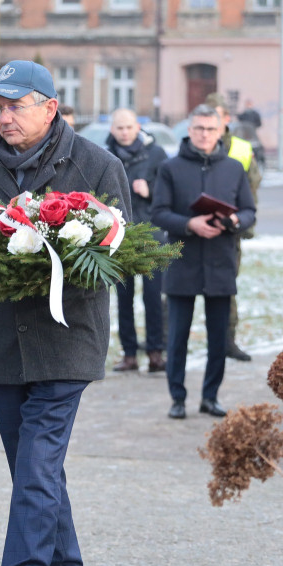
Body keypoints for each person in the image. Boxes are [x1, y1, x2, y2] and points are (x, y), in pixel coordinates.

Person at [0, 60, 131, 566]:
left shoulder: (99, 166)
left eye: (14, 105)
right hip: (5, 344)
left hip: (66, 341)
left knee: (36, 466)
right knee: (33, 468)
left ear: (50, 107)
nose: (3, 117)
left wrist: (55, 248)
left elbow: (120, 254)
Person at [151, 104, 256, 421]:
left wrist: (235, 219)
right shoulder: (171, 168)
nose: (204, 134)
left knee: (218, 337)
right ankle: (177, 398)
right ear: (189, 130)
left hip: (220, 260)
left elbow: (250, 211)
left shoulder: (234, 168)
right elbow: (159, 212)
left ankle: (210, 397)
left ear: (221, 131)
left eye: (210, 129)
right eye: (198, 128)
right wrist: (189, 224)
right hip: (183, 261)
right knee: (178, 336)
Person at [106, 107, 168, 374]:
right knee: (124, 298)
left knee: (154, 298)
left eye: (129, 127)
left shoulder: (156, 154)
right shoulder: (105, 155)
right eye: (119, 128)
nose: (124, 133)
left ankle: (156, 353)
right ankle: (129, 354)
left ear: (137, 127)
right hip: (119, 236)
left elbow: (169, 192)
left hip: (152, 235)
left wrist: (150, 190)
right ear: (112, 130)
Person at [205, 92, 261, 362]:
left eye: (216, 117)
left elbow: (251, 188)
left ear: (226, 118)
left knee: (227, 287)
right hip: (196, 227)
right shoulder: (197, 142)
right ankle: (170, 343)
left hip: (230, 228)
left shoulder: (240, 148)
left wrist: (242, 224)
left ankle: (228, 340)